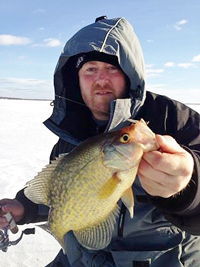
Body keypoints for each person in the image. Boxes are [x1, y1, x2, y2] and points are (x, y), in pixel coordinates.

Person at [0, 16, 200, 267]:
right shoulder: (69, 134)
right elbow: (63, 196)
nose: (101, 80)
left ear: (130, 74)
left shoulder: (175, 118)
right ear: (77, 79)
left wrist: (191, 186)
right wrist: (24, 207)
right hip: (81, 257)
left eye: (112, 68)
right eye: (91, 69)